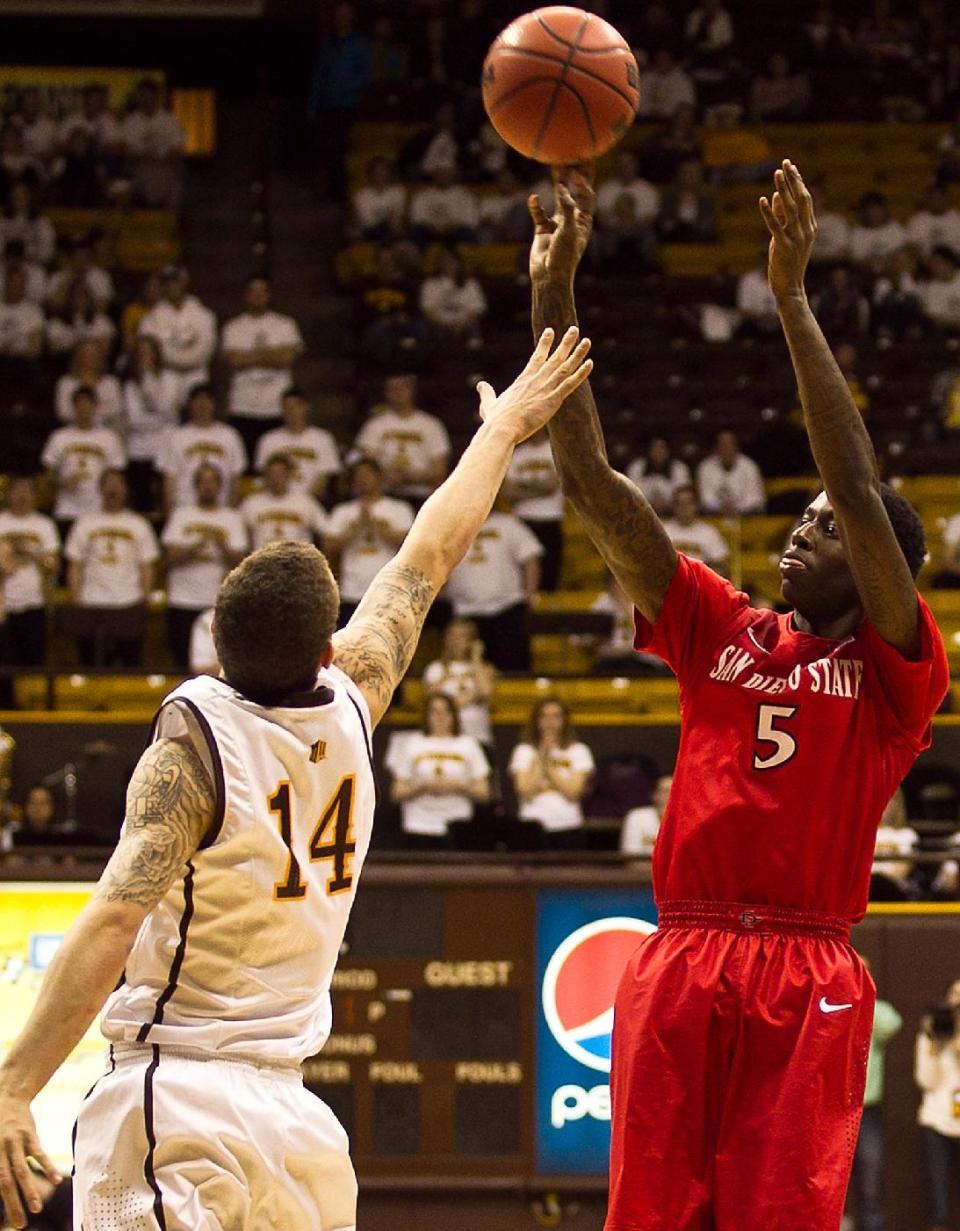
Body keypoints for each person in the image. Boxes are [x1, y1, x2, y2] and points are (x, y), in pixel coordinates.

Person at [0, 324, 592, 1231]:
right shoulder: (355, 696)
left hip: (175, 1097)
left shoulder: (195, 741)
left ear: (213, 640)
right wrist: (502, 429)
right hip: (297, 1130)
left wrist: (14, 1086)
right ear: (327, 649)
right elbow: (428, 556)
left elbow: (117, 915)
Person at [527, 160, 947, 1230]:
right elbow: (596, 488)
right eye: (796, 520)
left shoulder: (899, 670)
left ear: (876, 566)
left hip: (809, 963)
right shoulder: (720, 625)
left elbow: (854, 485)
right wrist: (554, 289)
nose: (799, 531)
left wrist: (793, 300)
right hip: (685, 947)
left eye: (822, 527)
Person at [64, 468, 160, 668]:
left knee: (130, 663)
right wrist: (75, 599)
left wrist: (144, 597)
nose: (113, 489)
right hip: (91, 602)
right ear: (100, 489)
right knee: (90, 663)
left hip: (128, 602)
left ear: (126, 490)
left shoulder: (138, 524)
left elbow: (148, 565)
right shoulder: (85, 523)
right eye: (108, 484)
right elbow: (75, 564)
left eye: (117, 484)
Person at [161, 463, 248, 670]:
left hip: (218, 601)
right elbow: (169, 558)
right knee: (182, 663)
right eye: (203, 481)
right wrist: (197, 545)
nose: (207, 486)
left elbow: (242, 562)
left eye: (212, 481)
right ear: (196, 486)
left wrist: (220, 544)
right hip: (182, 599)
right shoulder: (181, 515)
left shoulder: (232, 517)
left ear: (220, 486)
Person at [443, 508, 543, 672]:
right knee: (464, 670)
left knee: (513, 668)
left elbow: (530, 555)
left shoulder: (508, 524)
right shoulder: (450, 527)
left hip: (506, 607)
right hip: (465, 610)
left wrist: (530, 594)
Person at [387, 692, 490, 848]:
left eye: (445, 711)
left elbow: (484, 792)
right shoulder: (412, 744)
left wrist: (458, 786)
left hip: (458, 825)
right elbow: (396, 792)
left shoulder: (469, 744)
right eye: (434, 711)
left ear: (453, 715)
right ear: (426, 715)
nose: (440, 716)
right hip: (418, 824)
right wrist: (422, 787)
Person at [323, 457, 415, 626]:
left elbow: (410, 545)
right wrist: (355, 529)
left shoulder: (399, 509)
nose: (362, 479)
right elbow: (328, 546)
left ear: (379, 477)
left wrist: (377, 526)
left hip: (387, 592)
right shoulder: (343, 511)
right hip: (351, 592)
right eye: (358, 475)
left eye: (367, 474)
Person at [221, 276, 304, 459]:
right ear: (246, 295)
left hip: (275, 407)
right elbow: (234, 360)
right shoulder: (233, 327)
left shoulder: (285, 324)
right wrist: (272, 354)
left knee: (276, 461)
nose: (258, 296)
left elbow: (286, 358)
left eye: (262, 291)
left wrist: (249, 356)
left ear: (269, 295)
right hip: (243, 406)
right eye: (253, 291)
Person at [850, 959, 901, 1231]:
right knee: (827, 1186)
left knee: (870, 1187)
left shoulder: (875, 1013)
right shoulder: (831, 1004)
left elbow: (892, 1023)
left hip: (866, 1111)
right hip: (830, 1112)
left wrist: (861, 988)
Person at [352, 374, 450, 505]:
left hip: (422, 496)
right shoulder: (374, 425)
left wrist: (409, 478)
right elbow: (367, 463)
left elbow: (439, 469)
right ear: (386, 393)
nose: (398, 392)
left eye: (403, 387)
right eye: (393, 388)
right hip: (385, 496)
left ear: (412, 391)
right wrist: (387, 475)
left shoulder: (431, 425)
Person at [41, 386, 126, 537]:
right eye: (79, 404)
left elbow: (116, 476)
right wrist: (63, 482)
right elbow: (48, 476)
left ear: (95, 406)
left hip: (98, 509)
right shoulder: (59, 437)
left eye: (87, 404)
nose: (84, 409)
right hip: (67, 509)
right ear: (73, 407)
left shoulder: (109, 438)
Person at [509, 697, 594, 846]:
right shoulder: (523, 750)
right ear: (537, 720)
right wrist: (542, 754)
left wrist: (547, 765)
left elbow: (572, 792)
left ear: (564, 720)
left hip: (568, 826)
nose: (550, 722)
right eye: (544, 716)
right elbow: (525, 790)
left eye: (556, 716)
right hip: (532, 827)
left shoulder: (579, 751)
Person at [914, 979, 960, 1231]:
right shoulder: (936, 1029)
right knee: (938, 1200)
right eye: (955, 994)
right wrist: (933, 1042)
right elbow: (925, 1080)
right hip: (937, 1119)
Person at [158, 383, 247, 511]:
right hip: (185, 508)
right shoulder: (176, 437)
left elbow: (236, 477)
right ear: (190, 404)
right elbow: (169, 478)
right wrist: (170, 513)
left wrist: (231, 511)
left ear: (214, 404)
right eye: (198, 400)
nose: (203, 405)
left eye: (207, 400)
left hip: (220, 508)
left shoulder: (230, 435)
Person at [139, 266, 218, 409]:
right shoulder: (151, 317)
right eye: (167, 282)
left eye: (176, 281)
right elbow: (149, 352)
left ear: (184, 282)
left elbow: (205, 351)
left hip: (196, 373)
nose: (172, 286)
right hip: (166, 375)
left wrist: (174, 357)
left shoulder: (204, 315)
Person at [0, 476, 59, 668]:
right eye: (18, 489)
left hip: (34, 603)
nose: (22, 495)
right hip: (2, 606)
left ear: (35, 496)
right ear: (8, 494)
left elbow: (53, 564)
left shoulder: (44, 525)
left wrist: (32, 553)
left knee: (33, 663)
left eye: (27, 490)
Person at [122, 334, 181, 514]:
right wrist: (161, 419)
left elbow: (167, 409)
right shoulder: (130, 385)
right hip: (139, 450)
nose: (145, 356)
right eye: (141, 353)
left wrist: (148, 382)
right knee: (143, 503)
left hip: (166, 445)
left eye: (149, 352)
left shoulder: (171, 379)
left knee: (166, 500)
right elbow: (134, 420)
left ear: (157, 354)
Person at [502, 426, 564, 591]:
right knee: (523, 574)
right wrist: (539, 487)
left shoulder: (556, 450)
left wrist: (522, 486)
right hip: (522, 520)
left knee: (549, 574)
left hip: (550, 519)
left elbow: (552, 485)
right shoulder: (517, 455)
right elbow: (507, 492)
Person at [254, 387, 341, 501]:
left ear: (306, 407)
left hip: (310, 501)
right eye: (286, 407)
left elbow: (323, 477)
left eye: (295, 406)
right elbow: (264, 476)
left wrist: (303, 502)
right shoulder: (268, 440)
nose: (291, 411)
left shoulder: (323, 438)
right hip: (275, 501)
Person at [422, 617, 495, 744]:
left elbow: (485, 692)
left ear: (472, 641)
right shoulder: (435, 668)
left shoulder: (484, 668)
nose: (455, 641)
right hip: (444, 738)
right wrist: (472, 696)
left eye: (461, 636)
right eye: (451, 636)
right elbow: (432, 697)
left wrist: (476, 658)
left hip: (477, 736)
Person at [241, 453, 327, 549]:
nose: (276, 479)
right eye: (272, 474)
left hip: (298, 560)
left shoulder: (306, 502)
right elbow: (243, 539)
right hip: (263, 560)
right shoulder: (251, 503)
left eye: (280, 474)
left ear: (289, 475)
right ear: (265, 476)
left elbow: (325, 532)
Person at [661, 484, 729, 575]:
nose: (684, 507)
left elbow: (721, 566)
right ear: (673, 506)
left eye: (688, 502)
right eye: (679, 503)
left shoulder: (709, 532)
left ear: (696, 505)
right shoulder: (662, 531)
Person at [54, 338, 122, 429]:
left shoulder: (111, 382)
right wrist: (101, 407)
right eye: (86, 354)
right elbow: (64, 412)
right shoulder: (66, 383)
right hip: (75, 431)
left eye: (94, 355)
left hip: (106, 430)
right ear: (78, 357)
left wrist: (82, 410)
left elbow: (116, 409)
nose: (90, 359)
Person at [696, 429, 767, 515]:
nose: (726, 448)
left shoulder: (750, 466)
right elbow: (705, 498)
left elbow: (755, 498)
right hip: (715, 514)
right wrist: (721, 507)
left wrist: (736, 508)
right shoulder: (705, 467)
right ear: (715, 448)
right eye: (722, 444)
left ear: (737, 447)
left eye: (730, 444)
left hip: (746, 515)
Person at [626, 436, 691, 517]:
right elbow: (631, 496)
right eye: (655, 448)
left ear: (668, 450)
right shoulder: (636, 467)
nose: (658, 451)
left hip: (674, 516)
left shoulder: (680, 468)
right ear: (648, 450)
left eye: (661, 448)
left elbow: (685, 497)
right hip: (641, 515)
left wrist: (667, 505)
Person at [621, 773, 672, 856]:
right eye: (665, 791)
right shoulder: (636, 817)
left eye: (674, 791)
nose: (669, 795)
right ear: (655, 795)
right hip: (642, 868)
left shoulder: (687, 820)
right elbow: (631, 857)